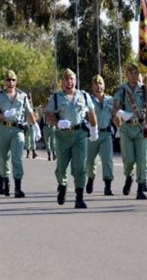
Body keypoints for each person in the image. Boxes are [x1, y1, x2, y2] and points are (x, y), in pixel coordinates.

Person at [46, 69, 98, 209]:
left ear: (75, 80)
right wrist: (57, 123)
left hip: (79, 134)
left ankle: (79, 198)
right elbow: (48, 115)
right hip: (63, 136)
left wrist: (94, 130)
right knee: (61, 168)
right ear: (62, 82)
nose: (70, 82)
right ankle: (62, 186)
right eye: (67, 79)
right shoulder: (56, 97)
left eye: (72, 79)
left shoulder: (84, 96)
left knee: (80, 166)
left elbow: (92, 112)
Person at [0, 70, 41, 198]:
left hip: (17, 130)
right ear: (5, 81)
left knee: (17, 158)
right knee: (3, 158)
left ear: (16, 81)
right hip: (3, 129)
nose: (11, 82)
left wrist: (36, 126)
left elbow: (29, 113)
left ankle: (18, 187)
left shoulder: (22, 96)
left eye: (13, 80)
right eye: (8, 80)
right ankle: (6, 182)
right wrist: (4, 115)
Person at [113, 63, 147, 200]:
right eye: (131, 73)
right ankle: (128, 176)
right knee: (128, 160)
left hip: (141, 128)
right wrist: (121, 113)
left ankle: (140, 188)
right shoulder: (122, 90)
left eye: (136, 73)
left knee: (142, 159)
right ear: (127, 75)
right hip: (127, 128)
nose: (134, 75)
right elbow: (115, 107)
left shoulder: (144, 89)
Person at [86, 75, 115, 196]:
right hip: (93, 133)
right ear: (92, 86)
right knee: (90, 160)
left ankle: (108, 186)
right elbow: (84, 116)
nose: (99, 86)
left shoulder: (110, 100)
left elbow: (115, 115)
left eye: (101, 83)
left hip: (106, 133)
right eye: (96, 84)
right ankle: (91, 179)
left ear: (104, 85)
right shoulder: (88, 100)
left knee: (107, 160)